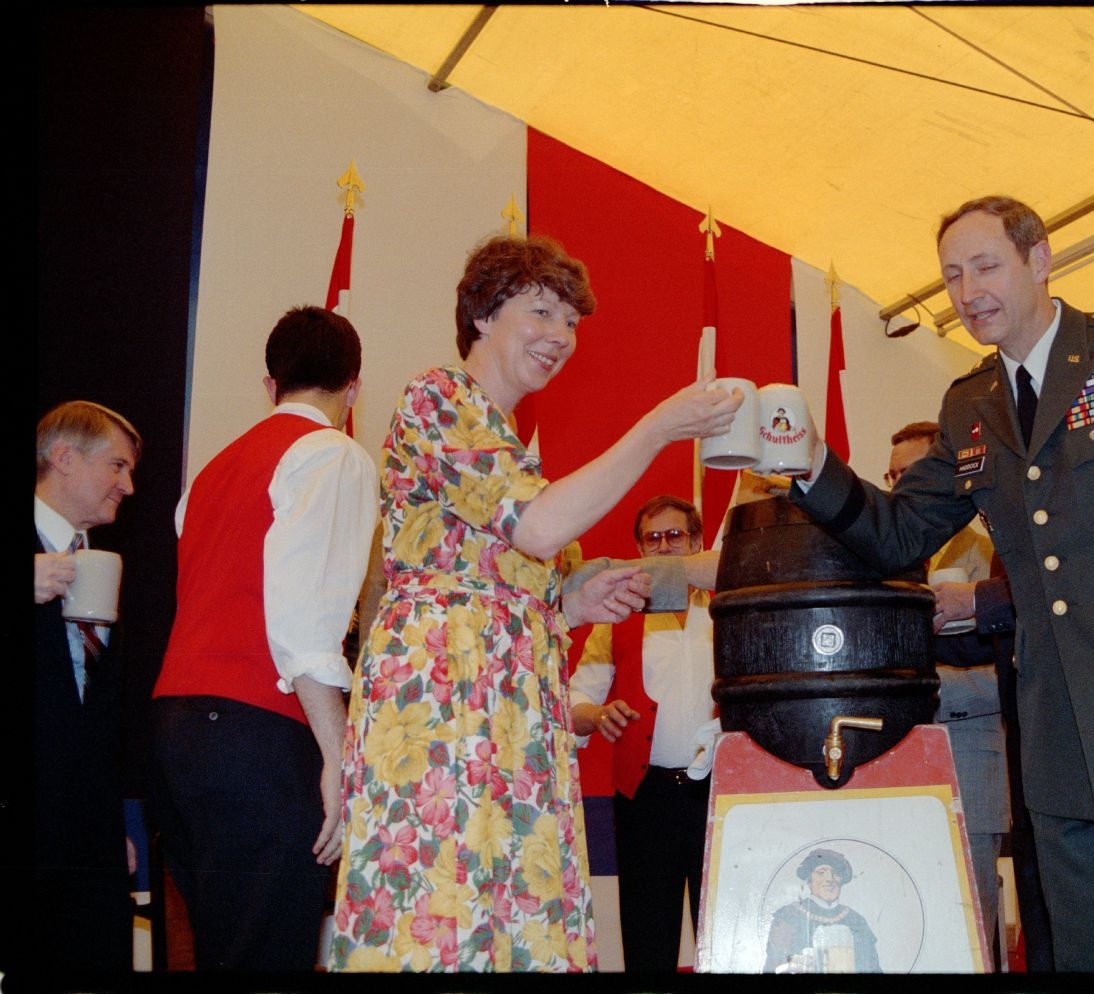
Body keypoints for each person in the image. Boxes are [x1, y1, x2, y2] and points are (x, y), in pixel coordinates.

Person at [789, 195, 1094, 971]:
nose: (966, 291)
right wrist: (811, 464)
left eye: (985, 266)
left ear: (1040, 259)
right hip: (1056, 751)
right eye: (952, 276)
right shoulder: (970, 405)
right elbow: (899, 533)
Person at [330, 234, 740, 972]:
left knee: (507, 899)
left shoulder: (508, 442)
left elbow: (511, 569)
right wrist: (659, 427)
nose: (560, 336)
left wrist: (572, 602)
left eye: (572, 322)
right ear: (482, 315)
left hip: (506, 702)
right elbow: (541, 525)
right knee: (441, 899)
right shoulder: (439, 396)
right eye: (541, 311)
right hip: (444, 701)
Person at [151, 306, 377, 970]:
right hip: (258, 734)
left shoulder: (209, 472)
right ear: (354, 387)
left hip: (176, 732)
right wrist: (338, 757)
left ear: (269, 384)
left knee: (222, 949)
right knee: (265, 955)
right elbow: (305, 619)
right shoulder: (334, 454)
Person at [570, 495, 718, 972]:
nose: (664, 546)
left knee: (723, 934)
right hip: (643, 798)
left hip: (718, 798)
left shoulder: (728, 609)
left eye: (675, 535)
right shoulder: (617, 616)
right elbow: (575, 702)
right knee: (647, 940)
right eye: (652, 539)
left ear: (696, 542)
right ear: (638, 549)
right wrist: (596, 714)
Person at [887, 421, 1013, 967]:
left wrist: (930, 691)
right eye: (890, 476)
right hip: (893, 773)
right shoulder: (883, 560)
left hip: (970, 767)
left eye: (910, 474)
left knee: (970, 933)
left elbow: (1013, 675)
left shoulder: (993, 554)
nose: (898, 488)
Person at [28, 400, 141, 974]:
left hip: (87, 833)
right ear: (64, 457)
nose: (128, 485)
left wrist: (109, 822)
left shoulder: (98, 561)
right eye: (117, 466)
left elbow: (97, 713)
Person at [763, 848, 881, 974]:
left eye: (836, 874)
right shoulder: (788, 916)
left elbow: (874, 968)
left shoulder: (857, 921)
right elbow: (773, 964)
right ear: (809, 881)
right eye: (821, 872)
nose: (829, 879)